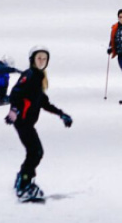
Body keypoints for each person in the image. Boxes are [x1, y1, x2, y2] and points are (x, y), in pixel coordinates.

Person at [5, 46, 72, 203]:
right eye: (39, 58)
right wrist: (14, 110)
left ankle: (23, 179)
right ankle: (24, 184)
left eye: (44, 58)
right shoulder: (30, 75)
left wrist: (61, 114)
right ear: (32, 60)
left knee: (34, 152)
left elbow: (43, 102)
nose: (42, 61)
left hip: (27, 121)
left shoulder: (38, 76)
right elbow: (16, 93)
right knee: (35, 152)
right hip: (22, 121)